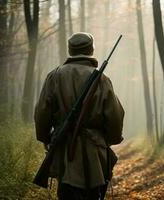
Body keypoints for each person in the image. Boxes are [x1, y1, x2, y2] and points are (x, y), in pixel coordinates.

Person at [34, 32, 124, 200]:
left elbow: (42, 113)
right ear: (91, 50)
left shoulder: (54, 76)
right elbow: (115, 116)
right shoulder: (101, 79)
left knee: (66, 192)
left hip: (64, 148)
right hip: (95, 152)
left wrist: (46, 138)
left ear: (70, 50)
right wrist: (109, 140)